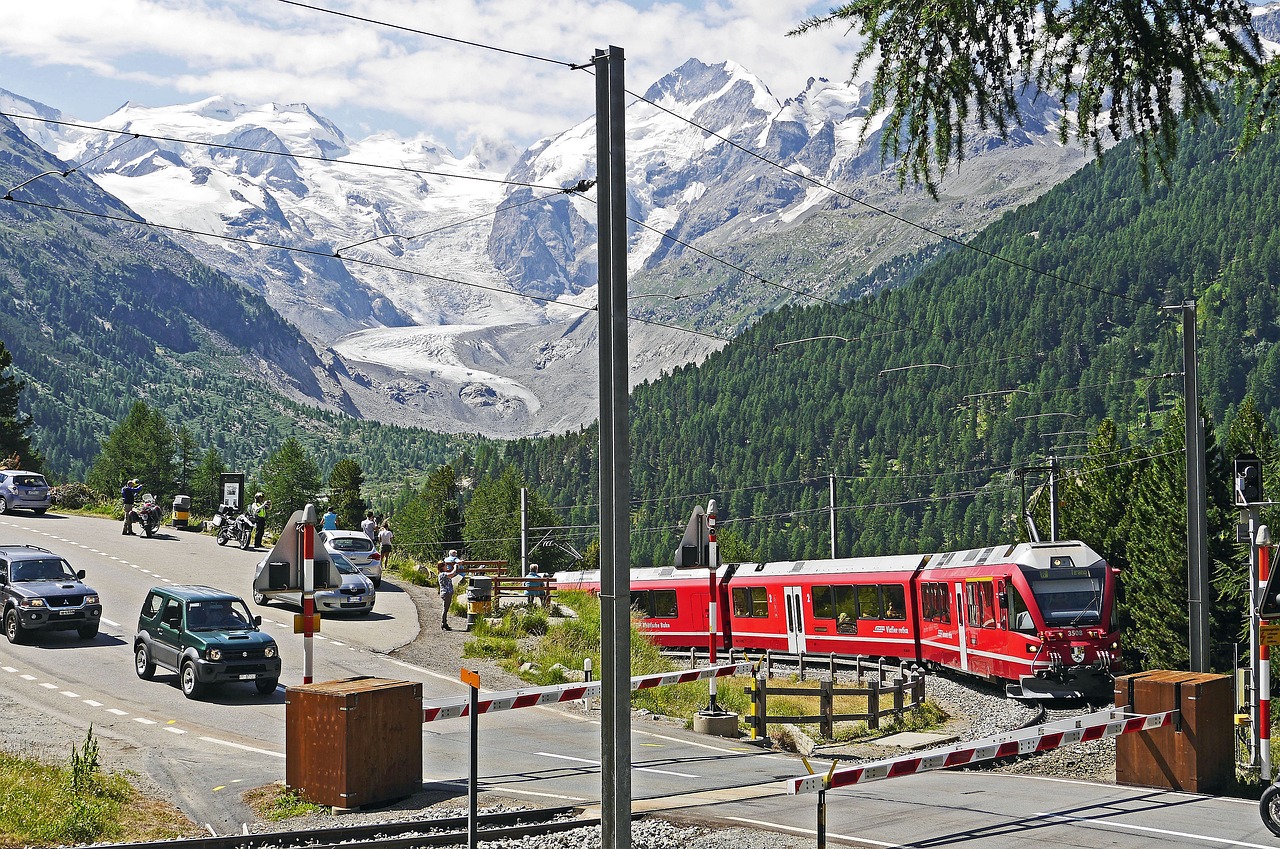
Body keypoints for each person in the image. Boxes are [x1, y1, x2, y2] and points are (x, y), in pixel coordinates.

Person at [439, 549, 461, 631]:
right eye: (445, 566)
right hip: (446, 593)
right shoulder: (443, 574)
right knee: (445, 609)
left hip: (446, 593)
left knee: (446, 608)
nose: (446, 566)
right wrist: (455, 567)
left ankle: (444, 623)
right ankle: (443, 623)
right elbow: (452, 574)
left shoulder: (442, 574)